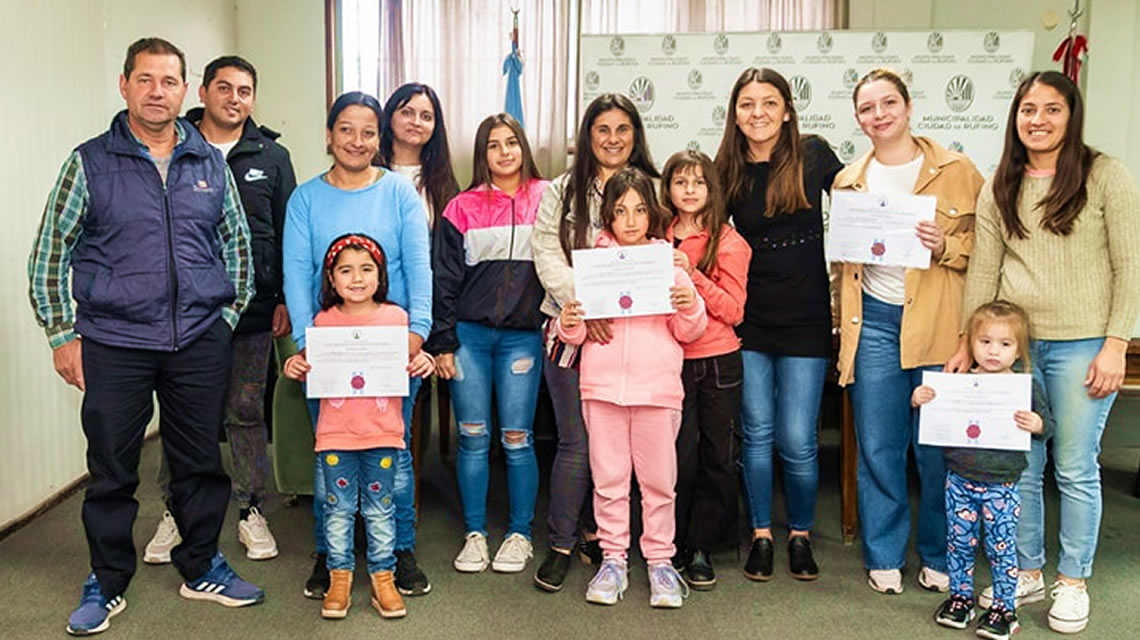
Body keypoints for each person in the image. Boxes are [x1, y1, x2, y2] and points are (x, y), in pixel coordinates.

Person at [28, 37, 262, 636]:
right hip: (115, 341)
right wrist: (62, 333)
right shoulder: (89, 162)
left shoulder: (208, 160)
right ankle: (106, 581)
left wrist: (224, 319)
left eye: (170, 81)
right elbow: (50, 253)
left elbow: (237, 245)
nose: (158, 91)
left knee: (199, 463)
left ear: (185, 90)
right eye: (146, 80)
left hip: (197, 342)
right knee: (111, 467)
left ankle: (201, 564)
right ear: (125, 85)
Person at [959, 70, 1140, 634]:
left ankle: (1073, 580)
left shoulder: (1105, 174)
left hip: (1086, 342)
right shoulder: (1000, 183)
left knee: (1074, 465)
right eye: (1027, 109)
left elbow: (1130, 265)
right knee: (1023, 467)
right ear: (1015, 117)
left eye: (1051, 109)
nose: (1037, 120)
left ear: (1071, 114)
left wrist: (1116, 346)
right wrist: (967, 345)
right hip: (1017, 349)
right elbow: (984, 270)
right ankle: (1029, 570)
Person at [833, 68, 984, 595]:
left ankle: (939, 553)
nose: (879, 114)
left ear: (908, 106)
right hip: (874, 321)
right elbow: (844, 269)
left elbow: (987, 254)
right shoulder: (849, 179)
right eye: (868, 107)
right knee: (879, 446)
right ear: (858, 118)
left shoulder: (958, 170)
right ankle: (883, 554)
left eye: (888, 102)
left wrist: (947, 246)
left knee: (938, 448)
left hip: (939, 325)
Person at [144, 54, 297, 565]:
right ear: (202, 92)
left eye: (245, 90)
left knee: (246, 411)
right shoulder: (173, 148)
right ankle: (176, 510)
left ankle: (251, 508)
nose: (235, 99)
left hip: (253, 314)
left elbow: (285, 235)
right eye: (225, 88)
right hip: (183, 315)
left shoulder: (272, 156)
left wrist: (282, 302)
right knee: (185, 416)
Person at [283, 91, 433, 599]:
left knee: (397, 450)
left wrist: (416, 335)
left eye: (368, 131)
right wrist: (308, 345)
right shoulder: (305, 199)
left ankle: (401, 550)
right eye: (346, 129)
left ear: (380, 137)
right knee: (332, 452)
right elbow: (299, 274)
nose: (357, 140)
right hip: (325, 350)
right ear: (329, 135)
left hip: (393, 344)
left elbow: (418, 266)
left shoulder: (399, 194)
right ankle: (332, 556)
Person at [555, 168, 706, 608]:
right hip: (601, 391)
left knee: (659, 483)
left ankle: (661, 561)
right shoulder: (593, 264)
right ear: (608, 217)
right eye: (620, 211)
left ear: (652, 213)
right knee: (609, 481)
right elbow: (576, 332)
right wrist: (568, 323)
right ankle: (613, 560)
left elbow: (689, 330)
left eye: (640, 210)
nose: (631, 220)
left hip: (657, 392)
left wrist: (690, 302)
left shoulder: (668, 262)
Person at [716, 67, 843, 582]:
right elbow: (701, 230)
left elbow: (865, 204)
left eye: (769, 103)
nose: (758, 113)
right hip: (749, 317)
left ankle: (801, 535)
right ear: (735, 113)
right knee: (756, 433)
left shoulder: (814, 155)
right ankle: (763, 534)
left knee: (797, 438)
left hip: (807, 317)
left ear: (787, 110)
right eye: (747, 104)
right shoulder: (725, 166)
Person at [530, 92, 660, 592]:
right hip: (571, 322)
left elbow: (658, 251)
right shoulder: (560, 190)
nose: (612, 139)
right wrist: (591, 302)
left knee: (625, 446)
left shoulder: (651, 187)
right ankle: (562, 542)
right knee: (578, 442)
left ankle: (606, 541)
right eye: (602, 129)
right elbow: (546, 254)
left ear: (635, 135)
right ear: (587, 136)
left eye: (622, 129)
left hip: (634, 336)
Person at [283, 233, 435, 621]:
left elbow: (411, 365)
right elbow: (312, 371)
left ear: (380, 275)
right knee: (337, 509)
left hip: (384, 435)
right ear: (331, 279)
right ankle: (340, 578)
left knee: (381, 510)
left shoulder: (397, 320)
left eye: (366, 269)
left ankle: (383, 578)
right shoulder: (321, 324)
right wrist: (296, 366)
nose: (356, 278)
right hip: (335, 435)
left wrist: (424, 362)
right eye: (345, 270)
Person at [426, 114, 549, 574]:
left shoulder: (548, 198)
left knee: (517, 439)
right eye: (493, 145)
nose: (504, 152)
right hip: (469, 340)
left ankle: (520, 534)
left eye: (512, 142)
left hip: (523, 339)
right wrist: (442, 342)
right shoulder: (460, 207)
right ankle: (474, 534)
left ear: (524, 147)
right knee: (473, 437)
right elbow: (444, 282)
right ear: (482, 154)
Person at [913, 301, 1044, 640]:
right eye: (985, 342)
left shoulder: (1025, 388)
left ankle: (1004, 609)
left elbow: (1050, 427)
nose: (993, 352)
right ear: (971, 342)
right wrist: (921, 398)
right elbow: (933, 416)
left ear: (1018, 350)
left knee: (1001, 548)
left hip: (1002, 485)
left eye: (1005, 344)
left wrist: (1037, 423)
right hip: (958, 479)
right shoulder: (956, 384)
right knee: (959, 543)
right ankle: (961, 598)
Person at [661, 150, 750, 589]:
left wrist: (692, 274)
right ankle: (670, 541)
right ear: (668, 189)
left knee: (718, 455)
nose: (690, 190)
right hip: (666, 360)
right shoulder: (655, 234)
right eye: (681, 182)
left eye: (698, 183)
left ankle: (703, 546)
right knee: (677, 456)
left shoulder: (729, 241)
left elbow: (734, 310)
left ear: (712, 190)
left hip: (716, 361)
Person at [378, 82, 460, 231]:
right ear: (389, 117)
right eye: (407, 113)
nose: (416, 122)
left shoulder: (445, 184)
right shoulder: (370, 174)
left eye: (426, 117)